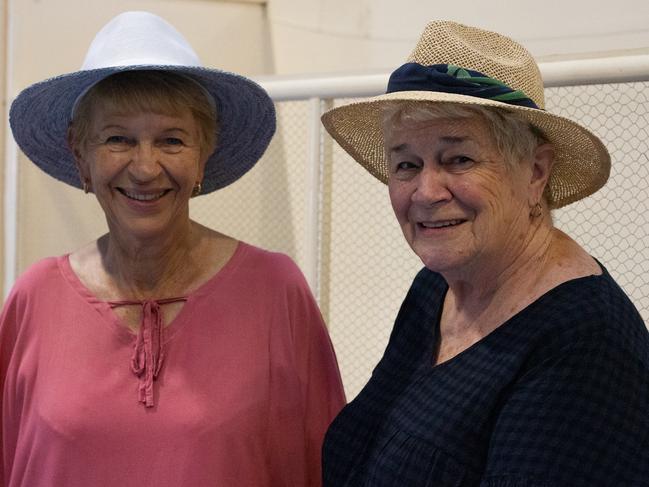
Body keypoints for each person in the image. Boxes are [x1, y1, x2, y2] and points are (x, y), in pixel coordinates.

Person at [0, 11, 345, 487]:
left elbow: (322, 464)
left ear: (204, 154)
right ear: (80, 154)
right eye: (118, 139)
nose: (145, 167)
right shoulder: (34, 300)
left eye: (172, 140)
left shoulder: (274, 291)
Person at [320, 20, 649, 486]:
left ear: (535, 171)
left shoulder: (585, 345)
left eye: (459, 159)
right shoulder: (437, 288)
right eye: (406, 164)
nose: (426, 191)